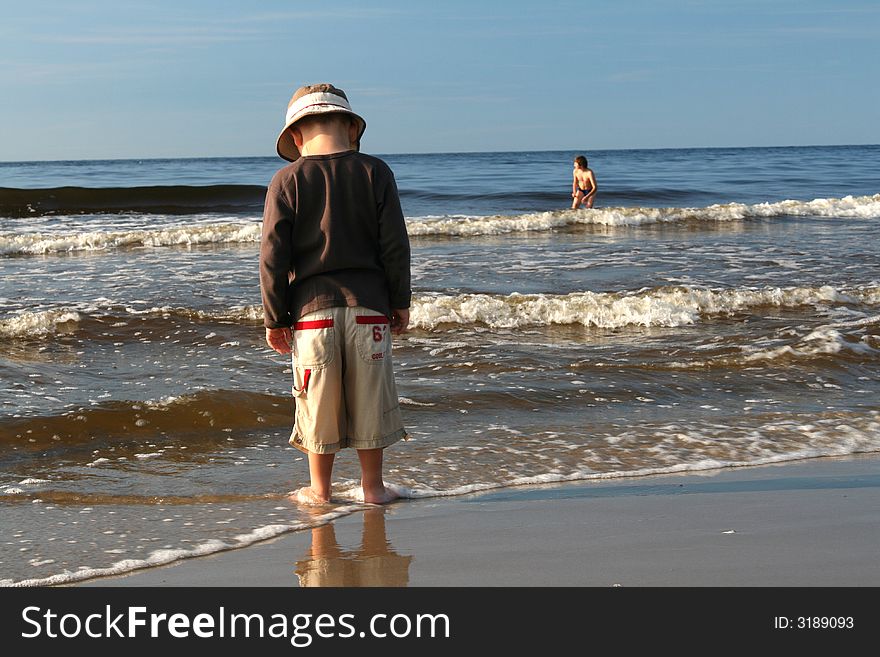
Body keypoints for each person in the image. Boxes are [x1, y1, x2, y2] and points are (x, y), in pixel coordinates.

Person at [260, 83, 411, 505]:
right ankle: (373, 488)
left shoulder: (286, 179)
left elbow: (272, 256)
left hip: (312, 316)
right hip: (369, 310)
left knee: (317, 405)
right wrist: (399, 301)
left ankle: (320, 490)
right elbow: (395, 245)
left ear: (295, 135)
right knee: (371, 401)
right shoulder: (375, 172)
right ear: (350, 127)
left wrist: (275, 318)